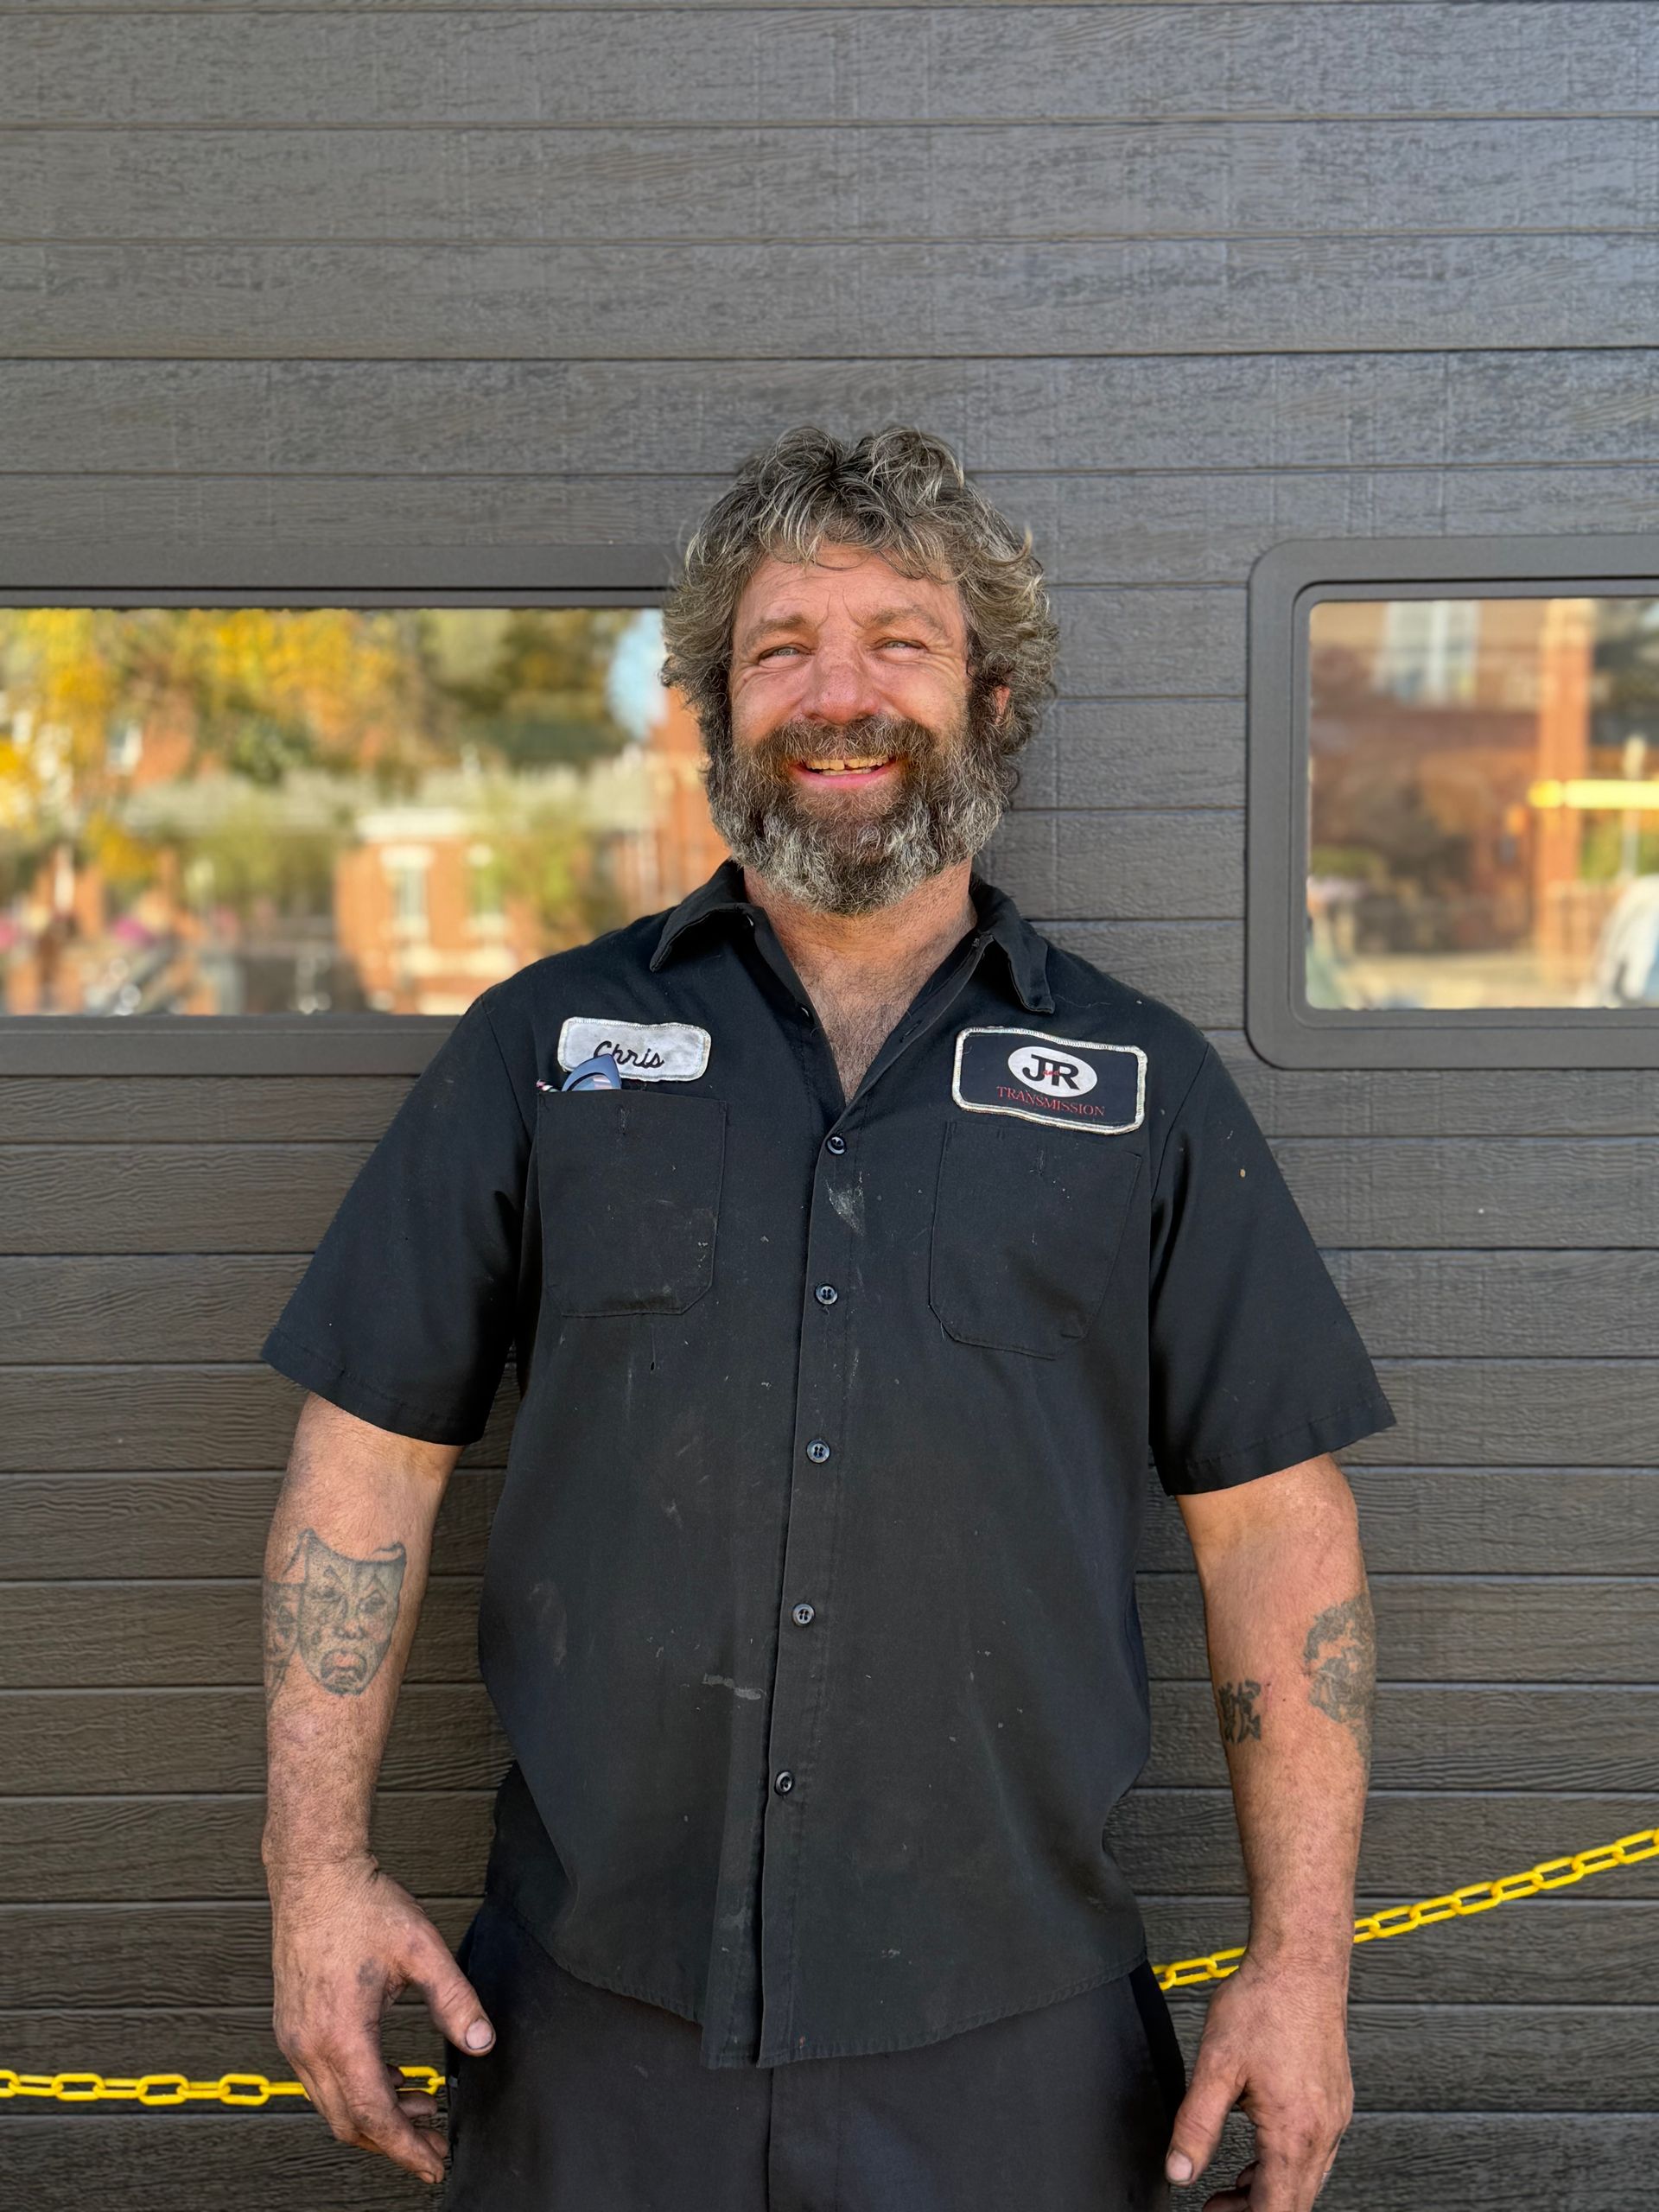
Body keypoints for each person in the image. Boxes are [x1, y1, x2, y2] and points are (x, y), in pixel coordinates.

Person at [259, 425, 1395, 2212]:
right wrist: (313, 1872)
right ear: (717, 710)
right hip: (589, 2024)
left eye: (900, 642)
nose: (839, 695)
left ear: (992, 698)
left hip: (1018, 2043)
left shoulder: (1142, 1087)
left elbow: (1279, 1529)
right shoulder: (543, 1051)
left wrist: (1301, 1962)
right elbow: (366, 1462)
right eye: (782, 647)